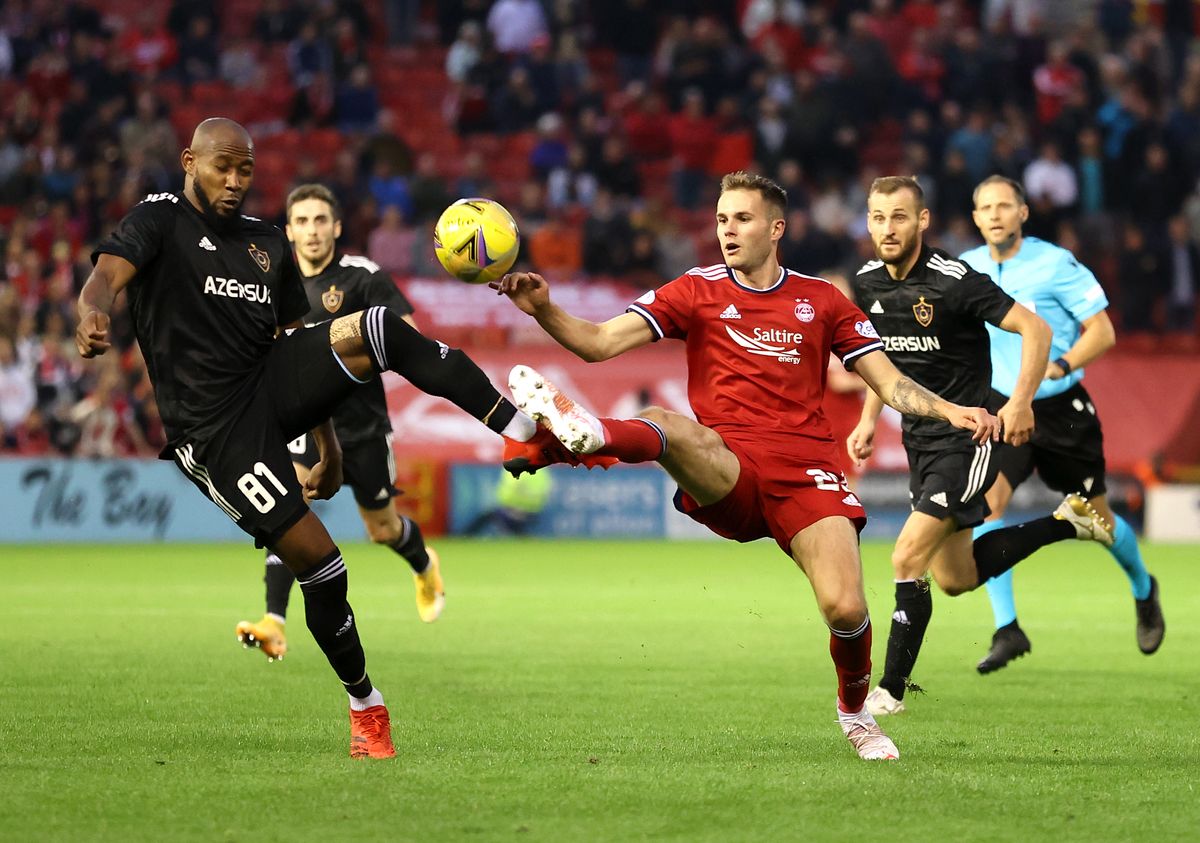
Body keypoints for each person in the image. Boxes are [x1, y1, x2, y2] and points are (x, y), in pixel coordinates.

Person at [75, 118, 603, 759]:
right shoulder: (160, 219)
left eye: (246, 170)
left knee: (379, 328)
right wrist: (92, 309)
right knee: (324, 567)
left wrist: (326, 447)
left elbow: (295, 347)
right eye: (223, 168)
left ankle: (522, 433)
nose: (236, 181)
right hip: (213, 432)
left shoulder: (266, 243)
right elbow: (105, 275)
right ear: (190, 161)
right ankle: (366, 706)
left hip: (269, 383)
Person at [494, 170, 1004, 762]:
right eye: (720, 220)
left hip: (808, 473)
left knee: (846, 608)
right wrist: (543, 310)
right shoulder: (695, 289)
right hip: (730, 466)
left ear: (776, 228)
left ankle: (855, 713)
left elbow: (889, 383)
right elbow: (600, 342)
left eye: (740, 219)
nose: (727, 231)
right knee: (669, 421)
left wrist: (951, 411)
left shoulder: (823, 301)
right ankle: (590, 434)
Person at [848, 175, 1114, 718]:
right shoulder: (868, 281)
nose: (887, 228)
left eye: (899, 217)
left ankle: (889, 692)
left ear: (922, 221)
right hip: (920, 440)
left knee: (904, 556)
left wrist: (1019, 403)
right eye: (878, 217)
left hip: (966, 439)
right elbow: (884, 361)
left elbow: (1035, 330)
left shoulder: (954, 281)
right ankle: (1070, 521)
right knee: (955, 578)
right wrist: (868, 417)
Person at [233, 183, 446, 665]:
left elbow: (408, 337)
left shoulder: (360, 277)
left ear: (337, 228)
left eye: (320, 220)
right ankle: (275, 621)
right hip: (303, 427)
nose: (311, 231)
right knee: (286, 516)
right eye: (302, 222)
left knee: (382, 529)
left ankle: (422, 562)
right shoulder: (269, 284)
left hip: (363, 429)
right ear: (288, 231)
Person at [961, 175, 1164, 673]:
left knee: (1098, 522)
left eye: (1004, 205)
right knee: (988, 506)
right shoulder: (966, 269)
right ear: (974, 217)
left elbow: (1103, 331)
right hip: (1003, 409)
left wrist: (1061, 366)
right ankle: (1007, 628)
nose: (994, 215)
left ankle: (1143, 587)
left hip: (1058, 407)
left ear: (1023, 212)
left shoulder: (1055, 264)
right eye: (985, 207)